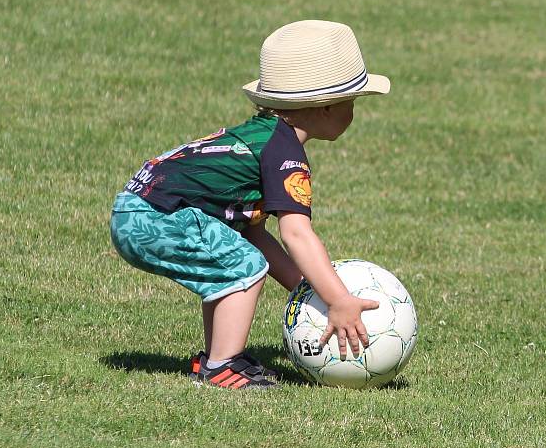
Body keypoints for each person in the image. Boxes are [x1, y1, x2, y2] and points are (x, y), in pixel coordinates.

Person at [110, 20, 390, 389]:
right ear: (324, 107)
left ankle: (216, 359)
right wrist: (338, 299)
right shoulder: (283, 152)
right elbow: (296, 233)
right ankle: (221, 367)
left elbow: (253, 231)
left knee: (236, 253)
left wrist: (303, 288)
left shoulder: (263, 137)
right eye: (351, 102)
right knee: (243, 265)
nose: (354, 112)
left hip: (137, 211)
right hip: (153, 219)